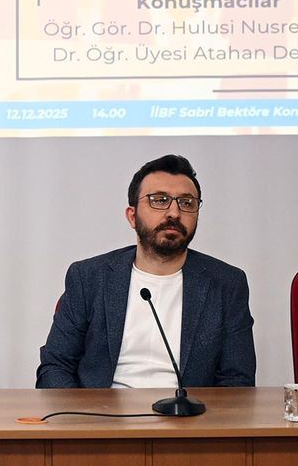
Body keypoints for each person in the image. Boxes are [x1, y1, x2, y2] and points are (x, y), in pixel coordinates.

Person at [36, 154, 255, 388]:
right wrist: (85, 411)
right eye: (159, 200)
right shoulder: (88, 277)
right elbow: (55, 366)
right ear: (132, 216)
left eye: (186, 203)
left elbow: (237, 380)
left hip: (188, 409)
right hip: (101, 409)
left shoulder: (227, 284)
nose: (174, 213)